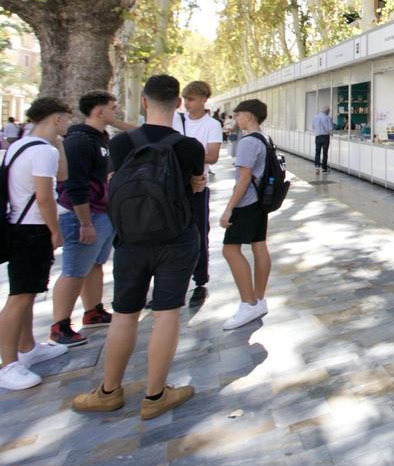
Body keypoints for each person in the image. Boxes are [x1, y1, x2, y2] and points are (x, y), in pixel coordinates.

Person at [71, 74, 205, 419]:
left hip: (131, 240)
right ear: (178, 104)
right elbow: (194, 188)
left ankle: (108, 391)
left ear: (144, 102)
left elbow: (114, 184)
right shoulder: (190, 147)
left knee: (125, 313)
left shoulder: (121, 144)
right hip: (177, 239)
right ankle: (155, 395)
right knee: (166, 313)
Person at [0, 98, 70, 391]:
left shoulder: (21, 146)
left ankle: (28, 347)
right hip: (33, 229)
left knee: (27, 292)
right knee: (20, 296)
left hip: (17, 225)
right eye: (65, 119)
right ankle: (8, 363)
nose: (68, 123)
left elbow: (63, 176)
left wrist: (60, 143)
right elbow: (44, 196)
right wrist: (55, 231)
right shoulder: (43, 152)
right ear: (56, 119)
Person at [48, 91, 119, 348]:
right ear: (99, 111)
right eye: (112, 107)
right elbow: (74, 185)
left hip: (101, 212)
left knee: (94, 265)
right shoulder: (78, 141)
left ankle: (93, 310)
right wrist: (85, 222)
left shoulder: (102, 138)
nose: (116, 111)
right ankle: (60, 325)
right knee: (74, 270)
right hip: (83, 216)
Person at [220, 99, 273, 330]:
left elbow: (243, 179)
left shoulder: (248, 142)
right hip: (261, 202)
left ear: (249, 116)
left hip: (247, 203)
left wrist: (229, 207)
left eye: (238, 115)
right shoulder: (265, 138)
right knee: (259, 245)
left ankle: (249, 302)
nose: (236, 119)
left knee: (230, 249)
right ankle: (258, 299)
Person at [172, 81, 223, 307]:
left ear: (203, 99)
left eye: (191, 99)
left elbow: (212, 156)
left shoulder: (212, 125)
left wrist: (189, 157)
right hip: (174, 186)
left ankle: (200, 281)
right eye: (185, 98)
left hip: (198, 187)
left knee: (199, 233)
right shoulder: (176, 120)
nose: (187, 104)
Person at [311, 106, 334, 174]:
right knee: (325, 153)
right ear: (327, 111)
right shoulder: (328, 117)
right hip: (325, 137)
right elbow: (330, 128)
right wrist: (331, 132)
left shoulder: (316, 117)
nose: (329, 112)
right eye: (329, 111)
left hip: (318, 137)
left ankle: (317, 167)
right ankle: (324, 169)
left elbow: (312, 127)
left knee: (317, 152)